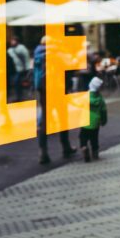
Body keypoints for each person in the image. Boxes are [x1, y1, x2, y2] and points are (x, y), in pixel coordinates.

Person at [34, 36, 77, 164]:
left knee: (45, 122)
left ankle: (43, 152)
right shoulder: (58, 53)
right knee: (63, 118)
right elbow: (70, 69)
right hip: (58, 89)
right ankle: (66, 147)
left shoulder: (38, 54)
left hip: (43, 90)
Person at [80, 77, 107, 162]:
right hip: (95, 122)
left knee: (83, 137)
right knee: (94, 138)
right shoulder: (100, 98)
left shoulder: (85, 97)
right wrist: (104, 120)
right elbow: (103, 110)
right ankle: (95, 153)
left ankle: (84, 147)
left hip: (84, 121)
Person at [7, 36, 30, 101]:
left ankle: (20, 97)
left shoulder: (22, 48)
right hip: (13, 69)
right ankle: (19, 97)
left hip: (20, 69)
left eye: (13, 41)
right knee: (16, 83)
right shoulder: (10, 50)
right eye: (11, 41)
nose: (12, 42)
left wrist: (27, 68)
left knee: (18, 82)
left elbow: (26, 58)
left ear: (17, 41)